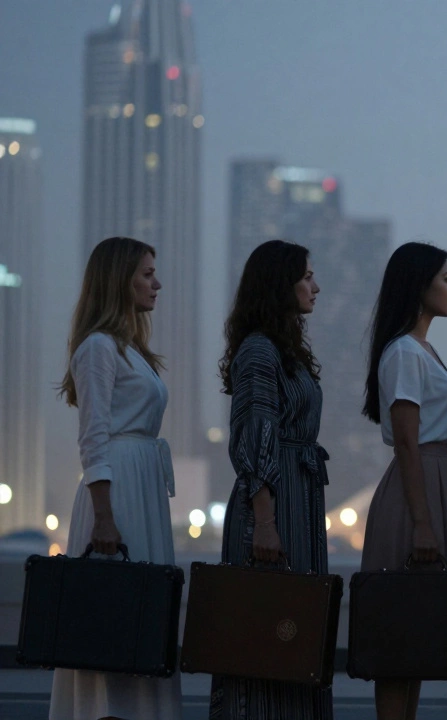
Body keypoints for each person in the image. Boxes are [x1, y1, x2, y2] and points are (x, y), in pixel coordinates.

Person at [51, 237, 182, 720]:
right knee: (116, 618)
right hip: (119, 491)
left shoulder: (128, 350)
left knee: (141, 619)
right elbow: (93, 438)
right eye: (147, 273)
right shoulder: (98, 348)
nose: (157, 283)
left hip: (140, 483)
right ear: (118, 280)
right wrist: (104, 518)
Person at [210, 239, 331, 720]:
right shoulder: (260, 352)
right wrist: (264, 522)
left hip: (298, 503)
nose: (315, 287)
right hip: (275, 509)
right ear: (279, 283)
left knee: (295, 636)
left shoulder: (283, 351)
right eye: (305, 277)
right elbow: (253, 437)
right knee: (265, 638)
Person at [360, 242, 447, 720]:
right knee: (400, 633)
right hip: (415, 491)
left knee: (419, 633)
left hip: (433, 482)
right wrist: (422, 523)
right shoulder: (404, 352)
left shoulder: (422, 348)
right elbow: (406, 441)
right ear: (419, 285)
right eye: (445, 278)